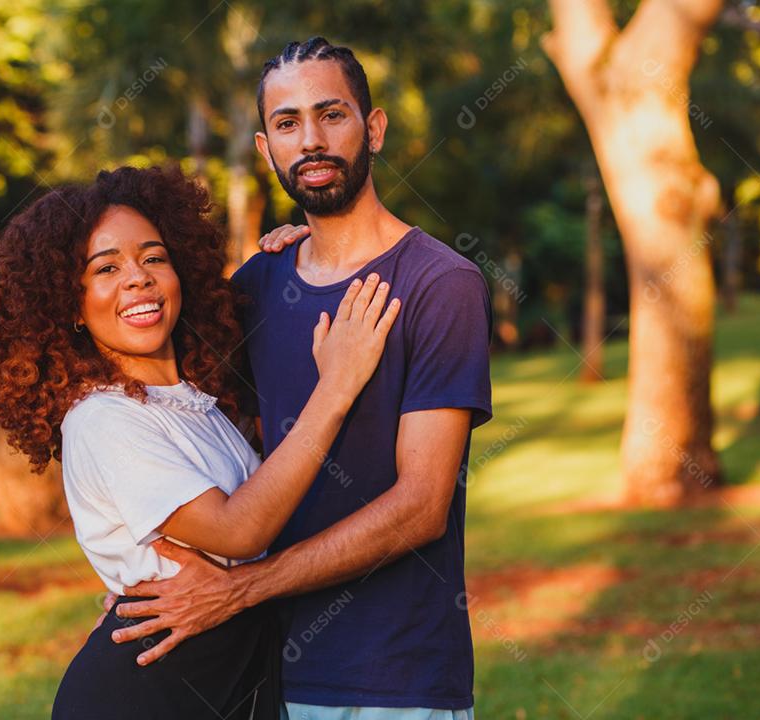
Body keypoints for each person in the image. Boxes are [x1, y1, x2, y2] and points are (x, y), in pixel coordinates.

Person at [109, 37, 493, 720]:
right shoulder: (258, 284)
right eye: (288, 124)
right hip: (263, 675)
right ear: (266, 150)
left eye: (331, 115)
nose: (310, 140)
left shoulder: (440, 284)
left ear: (372, 128)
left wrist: (244, 588)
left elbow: (422, 506)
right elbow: (210, 445)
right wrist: (136, 570)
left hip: (394, 682)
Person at [0, 164, 400, 719]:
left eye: (153, 257)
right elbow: (239, 530)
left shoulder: (195, 404)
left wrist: (299, 251)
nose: (137, 278)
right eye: (105, 267)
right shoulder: (103, 419)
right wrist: (336, 388)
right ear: (69, 306)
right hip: (148, 695)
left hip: (229, 681)